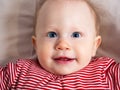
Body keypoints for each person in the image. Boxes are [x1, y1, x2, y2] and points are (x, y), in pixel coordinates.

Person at [0, 0, 119, 89]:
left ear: (95, 45)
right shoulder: (18, 72)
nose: (63, 45)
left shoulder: (106, 72)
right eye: (52, 35)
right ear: (36, 44)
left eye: (76, 35)